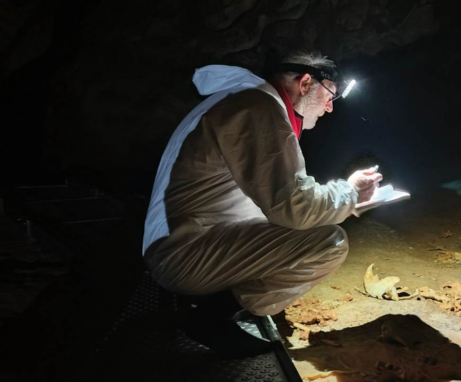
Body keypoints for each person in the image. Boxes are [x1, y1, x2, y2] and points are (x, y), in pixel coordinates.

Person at [142, 51, 381, 356]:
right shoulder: (259, 108)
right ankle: (211, 314)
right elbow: (294, 208)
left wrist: (346, 199)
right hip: (182, 253)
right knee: (329, 243)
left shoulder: (245, 99)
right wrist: (350, 192)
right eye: (330, 94)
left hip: (183, 238)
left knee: (299, 224)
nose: (330, 107)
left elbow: (279, 201)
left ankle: (214, 302)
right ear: (305, 83)